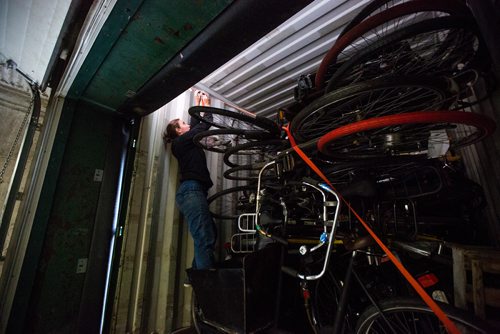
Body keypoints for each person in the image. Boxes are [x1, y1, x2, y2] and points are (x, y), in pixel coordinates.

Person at [162, 91, 216, 271]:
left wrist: (197, 102)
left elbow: (194, 125)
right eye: (183, 124)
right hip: (191, 190)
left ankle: (194, 273)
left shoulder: (185, 141)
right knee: (204, 236)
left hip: (194, 191)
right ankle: (206, 281)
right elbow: (202, 127)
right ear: (178, 131)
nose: (187, 124)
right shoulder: (180, 143)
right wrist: (207, 106)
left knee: (208, 234)